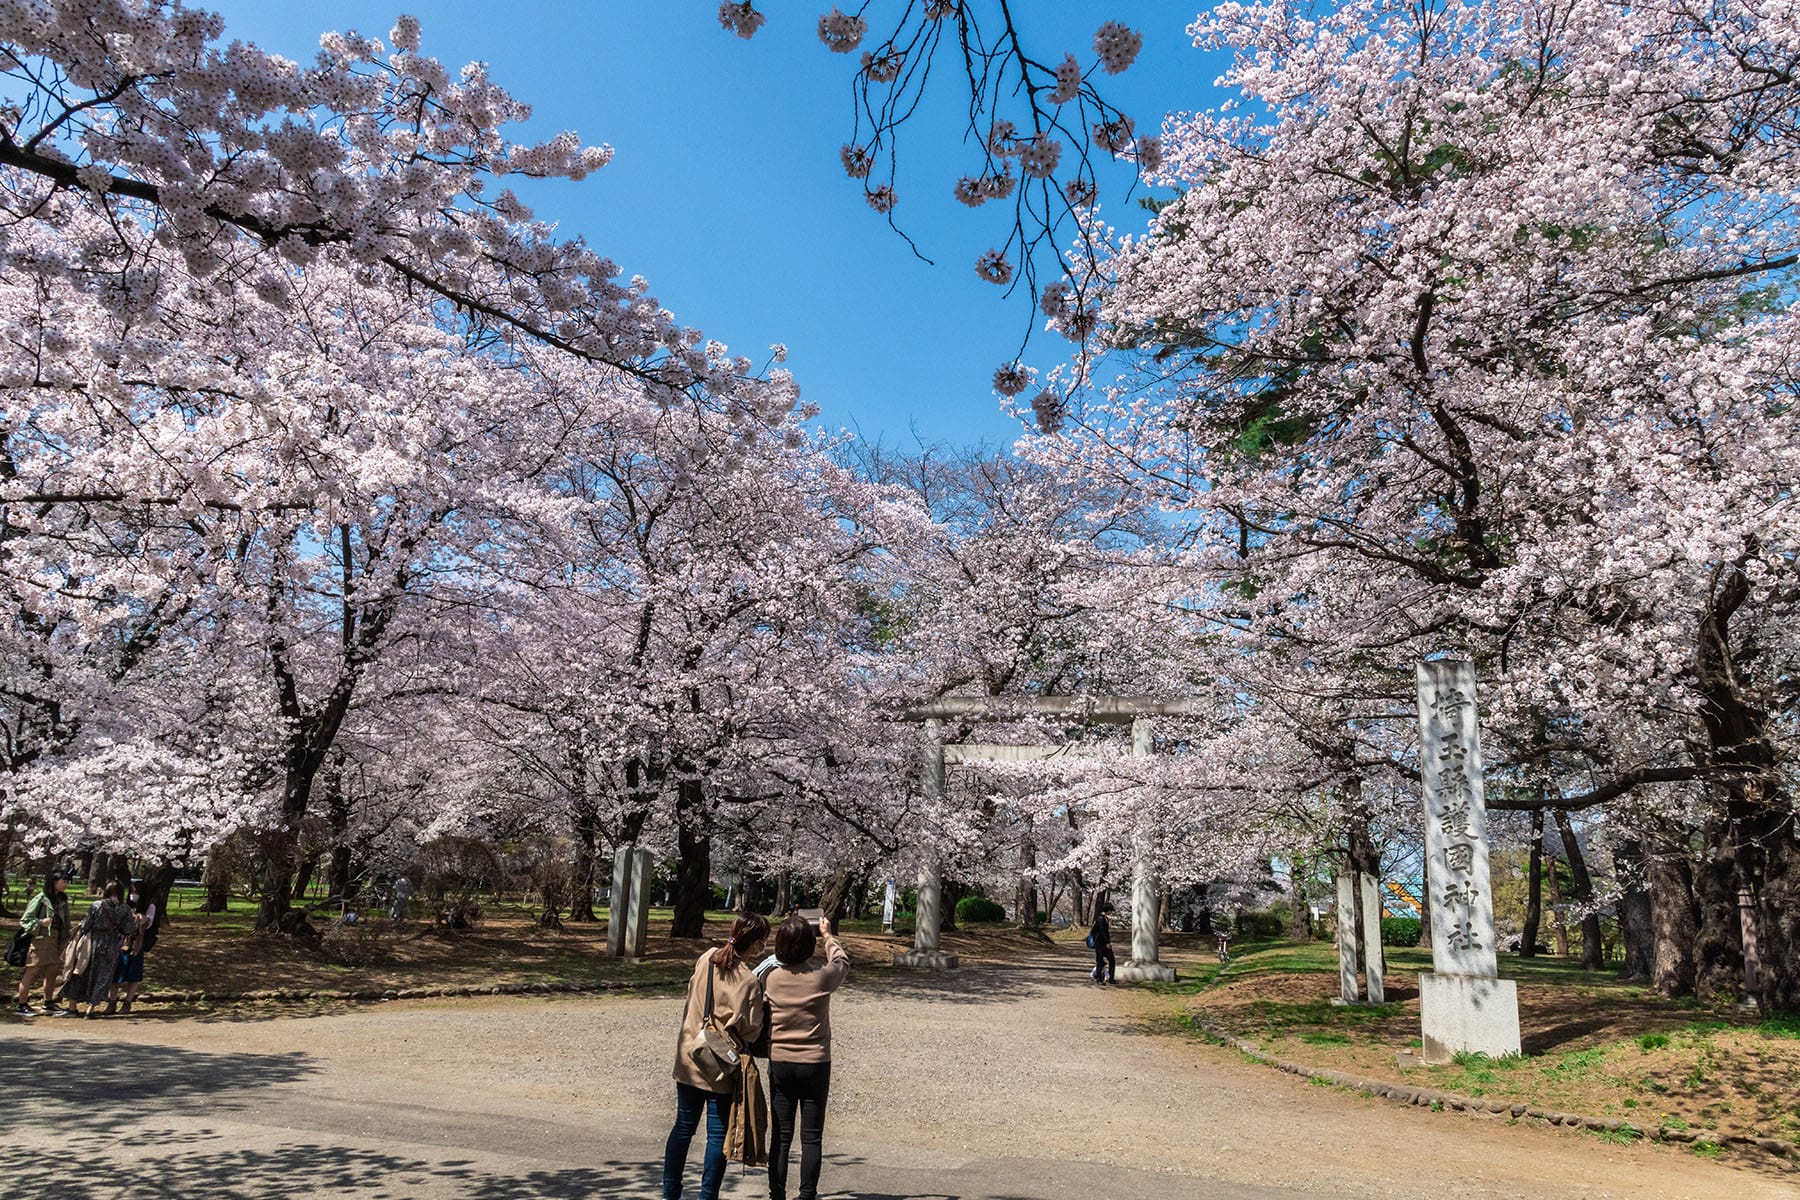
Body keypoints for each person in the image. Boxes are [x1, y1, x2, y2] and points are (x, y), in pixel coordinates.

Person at [663, 911, 770, 1200]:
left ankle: (669, 1191)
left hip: (690, 1053)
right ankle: (707, 1195)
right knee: (716, 1136)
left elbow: (690, 995)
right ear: (757, 944)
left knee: (683, 1128)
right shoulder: (748, 981)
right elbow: (751, 1032)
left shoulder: (707, 958)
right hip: (720, 1066)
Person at [763, 911, 851, 1200]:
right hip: (815, 1062)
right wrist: (827, 935)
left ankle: (777, 1194)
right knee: (811, 1136)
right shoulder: (820, 978)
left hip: (781, 1061)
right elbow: (841, 962)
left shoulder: (772, 979)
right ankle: (806, 1195)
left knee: (781, 1135)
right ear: (808, 945)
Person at [73, 881, 135, 1018]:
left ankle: (79, 1002)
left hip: (95, 941)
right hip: (112, 943)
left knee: (89, 972)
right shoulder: (124, 908)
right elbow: (130, 929)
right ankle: (92, 1007)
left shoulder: (97, 905)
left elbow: (86, 924)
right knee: (104, 975)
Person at [14, 870, 72, 1016]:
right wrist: (40, 923)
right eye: (63, 881)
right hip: (40, 938)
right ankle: (22, 1003)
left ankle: (48, 1002)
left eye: (66, 881)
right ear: (54, 881)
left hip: (56, 939)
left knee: (52, 971)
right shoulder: (41, 898)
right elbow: (25, 920)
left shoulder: (62, 900)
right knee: (32, 970)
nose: (65, 884)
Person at [108, 885, 158, 1015]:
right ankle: (112, 1002)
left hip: (137, 943)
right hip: (121, 942)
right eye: (132, 892)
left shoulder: (150, 907)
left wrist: (140, 919)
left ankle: (128, 1002)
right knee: (116, 972)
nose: (133, 895)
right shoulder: (124, 906)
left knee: (133, 973)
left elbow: (147, 923)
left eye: (136, 892)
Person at [1088, 900, 1115, 985]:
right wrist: (1107, 942)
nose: (1111, 912)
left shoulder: (1105, 918)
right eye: (1111, 910)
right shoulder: (1100, 918)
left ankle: (1111, 978)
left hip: (1104, 943)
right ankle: (1099, 979)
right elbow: (1102, 931)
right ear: (1108, 910)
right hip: (1100, 943)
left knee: (1111, 960)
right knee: (1100, 961)